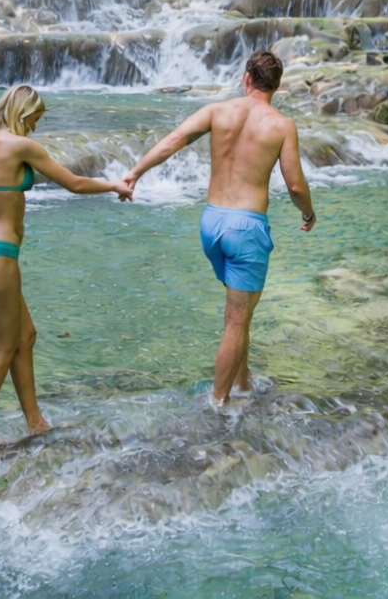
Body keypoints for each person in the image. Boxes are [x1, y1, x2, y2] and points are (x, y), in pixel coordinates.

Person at [0, 84, 132, 445]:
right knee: (2, 348)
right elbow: (74, 183)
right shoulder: (20, 145)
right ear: (23, 113)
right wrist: (114, 185)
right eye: (36, 120)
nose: (36, 127)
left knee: (25, 336)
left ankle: (35, 422)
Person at [124, 51, 316, 407]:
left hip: (212, 223)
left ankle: (242, 383)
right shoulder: (282, 125)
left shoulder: (218, 111)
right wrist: (308, 213)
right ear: (277, 85)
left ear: (246, 79)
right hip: (246, 227)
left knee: (240, 314)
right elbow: (295, 186)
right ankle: (219, 402)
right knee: (237, 321)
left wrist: (135, 173)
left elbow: (172, 141)